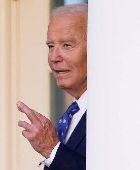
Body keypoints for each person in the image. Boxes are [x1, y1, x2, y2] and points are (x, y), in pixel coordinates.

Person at [17, 3, 87, 170]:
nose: (54, 57)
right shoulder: (72, 114)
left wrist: (52, 149)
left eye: (67, 45)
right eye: (51, 46)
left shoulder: (117, 112)